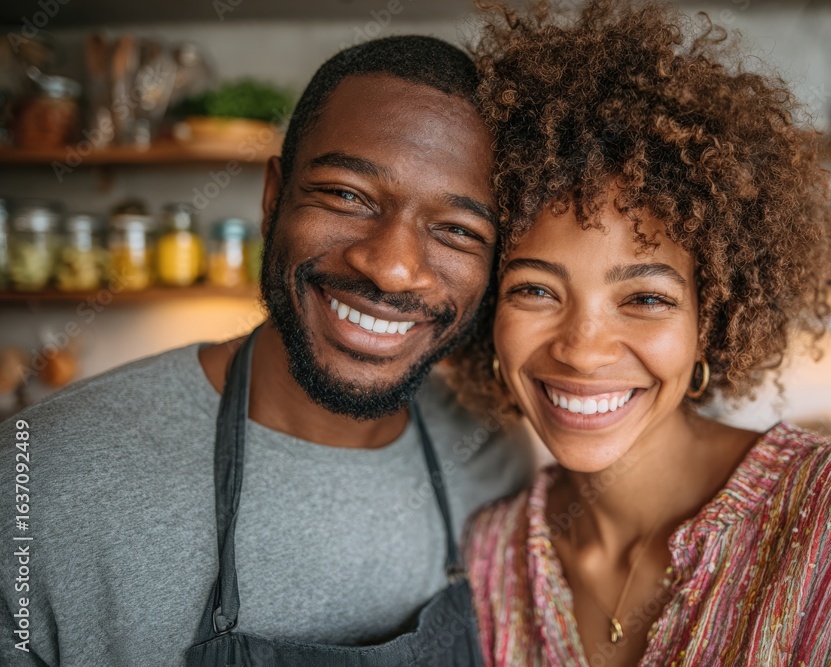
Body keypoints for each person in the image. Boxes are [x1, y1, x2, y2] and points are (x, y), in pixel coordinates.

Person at [448, 2, 831, 666]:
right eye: (535, 290)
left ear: (712, 319)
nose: (582, 347)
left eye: (644, 297)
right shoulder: (490, 559)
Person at [0, 36, 534, 666]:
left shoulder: (495, 458)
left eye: (458, 231)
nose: (391, 268)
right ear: (272, 198)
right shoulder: (38, 482)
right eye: (346, 195)